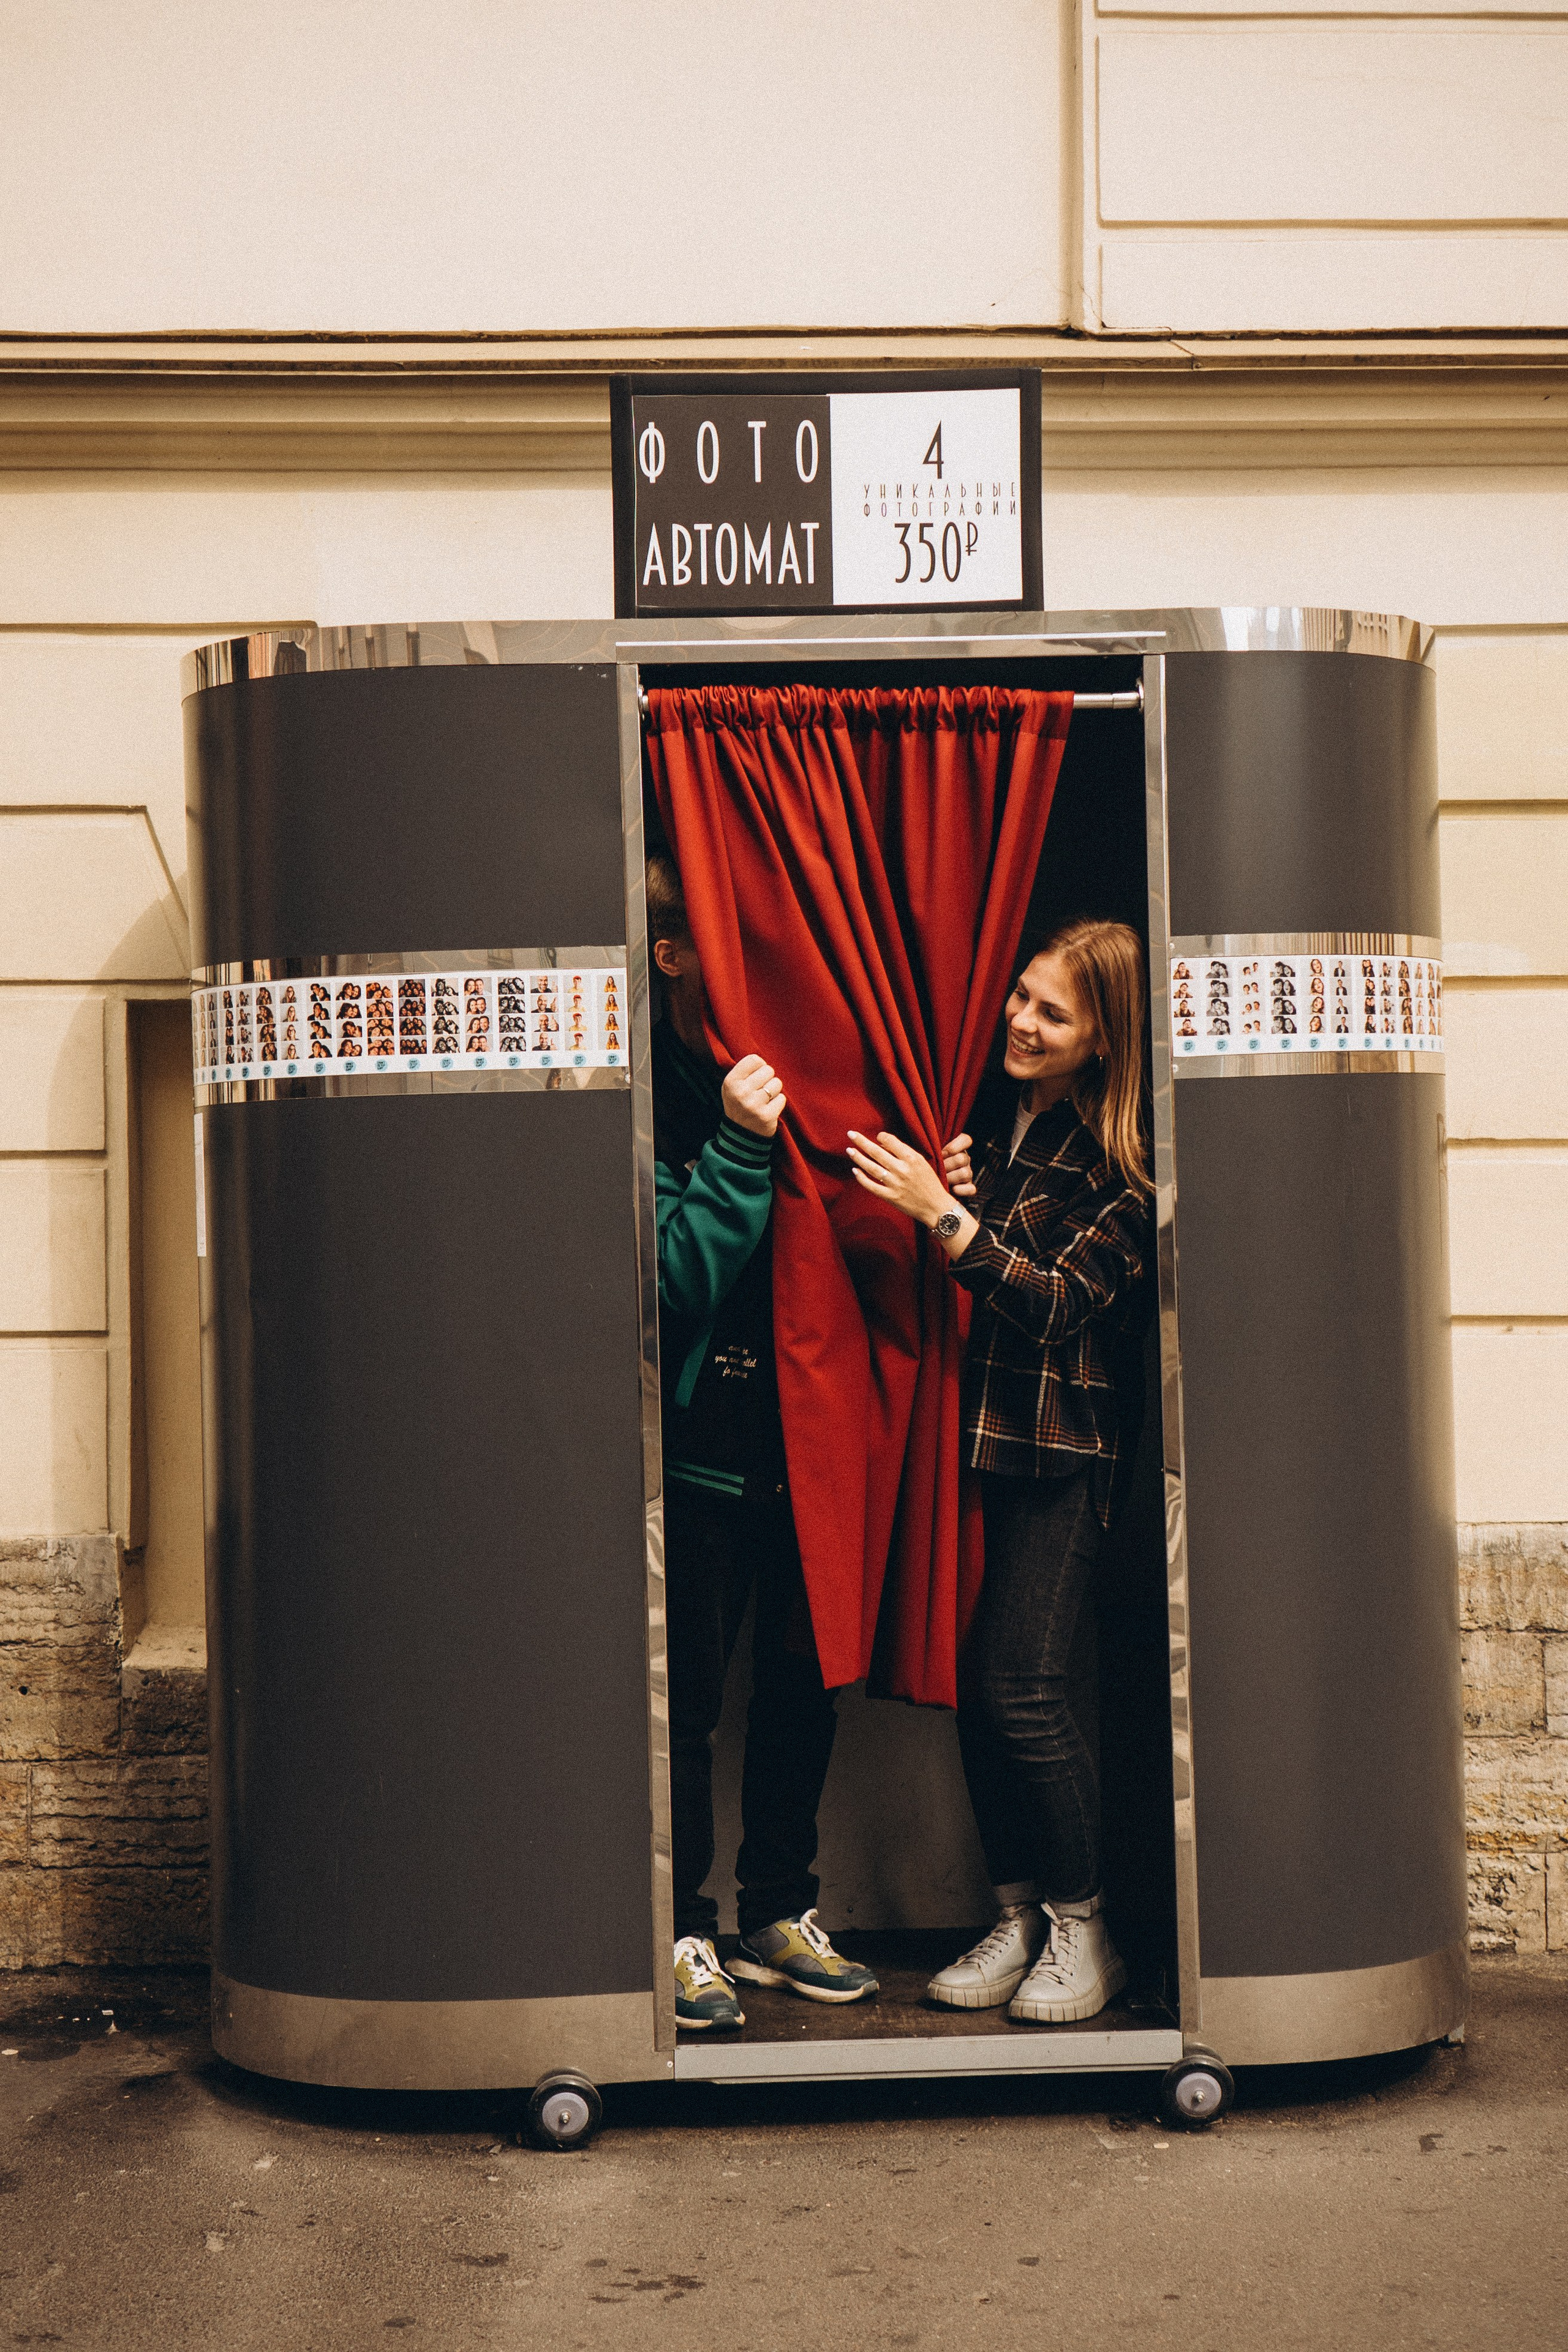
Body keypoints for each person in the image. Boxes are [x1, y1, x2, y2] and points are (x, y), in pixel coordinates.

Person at [846, 916, 1153, 2025]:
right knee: (975, 1694)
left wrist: (943, 1216)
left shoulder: (1125, 1163)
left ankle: (1087, 1927)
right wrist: (961, 1187)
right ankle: (1021, 1914)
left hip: (1059, 1451)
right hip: (963, 1438)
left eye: (1053, 1012)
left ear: (1103, 1041)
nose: (1021, 1021)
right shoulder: (986, 1114)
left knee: (1024, 1688)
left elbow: (1059, 1301)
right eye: (1021, 995)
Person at [648, 848, 878, 2031]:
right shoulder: (651, 1089)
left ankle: (778, 1911)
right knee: (685, 1703)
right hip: (701, 1452)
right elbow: (676, 1272)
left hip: (812, 1439)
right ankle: (681, 1931)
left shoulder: (808, 1060)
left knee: (805, 1684)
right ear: (674, 950)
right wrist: (741, 1145)